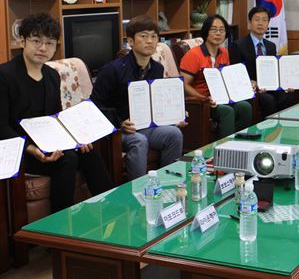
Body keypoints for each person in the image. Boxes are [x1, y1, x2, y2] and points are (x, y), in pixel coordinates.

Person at [0, 13, 112, 212]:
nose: (43, 48)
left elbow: (57, 116)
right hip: (18, 147)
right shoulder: (5, 75)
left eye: (50, 43)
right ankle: (59, 228)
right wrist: (32, 149)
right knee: (68, 159)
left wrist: (78, 138)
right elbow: (1, 126)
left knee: (88, 150)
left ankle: (112, 209)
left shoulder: (52, 75)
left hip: (48, 141)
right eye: (36, 41)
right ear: (23, 41)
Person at [91, 15, 183, 180]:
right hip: (120, 130)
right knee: (139, 141)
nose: (150, 41)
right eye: (143, 36)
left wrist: (174, 116)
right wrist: (119, 122)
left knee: (174, 133)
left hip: (147, 126)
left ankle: (168, 182)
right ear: (130, 41)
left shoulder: (157, 68)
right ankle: (137, 192)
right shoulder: (112, 70)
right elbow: (94, 106)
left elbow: (157, 101)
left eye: (154, 36)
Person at [180, 14, 252, 138]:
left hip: (222, 98)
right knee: (227, 111)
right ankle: (226, 148)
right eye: (214, 30)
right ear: (206, 32)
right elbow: (184, 85)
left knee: (245, 107)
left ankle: (241, 143)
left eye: (222, 30)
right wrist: (204, 98)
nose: (218, 33)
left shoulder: (224, 52)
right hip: (202, 101)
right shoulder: (194, 55)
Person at [229, 6, 294, 117]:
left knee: (287, 96)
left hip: (269, 86)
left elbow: (274, 71)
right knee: (268, 100)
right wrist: (251, 82)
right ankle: (269, 131)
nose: (260, 23)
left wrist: (285, 83)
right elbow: (235, 73)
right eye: (257, 19)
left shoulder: (271, 46)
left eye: (264, 20)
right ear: (249, 23)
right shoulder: (238, 45)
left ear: (268, 24)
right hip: (251, 89)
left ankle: (282, 128)